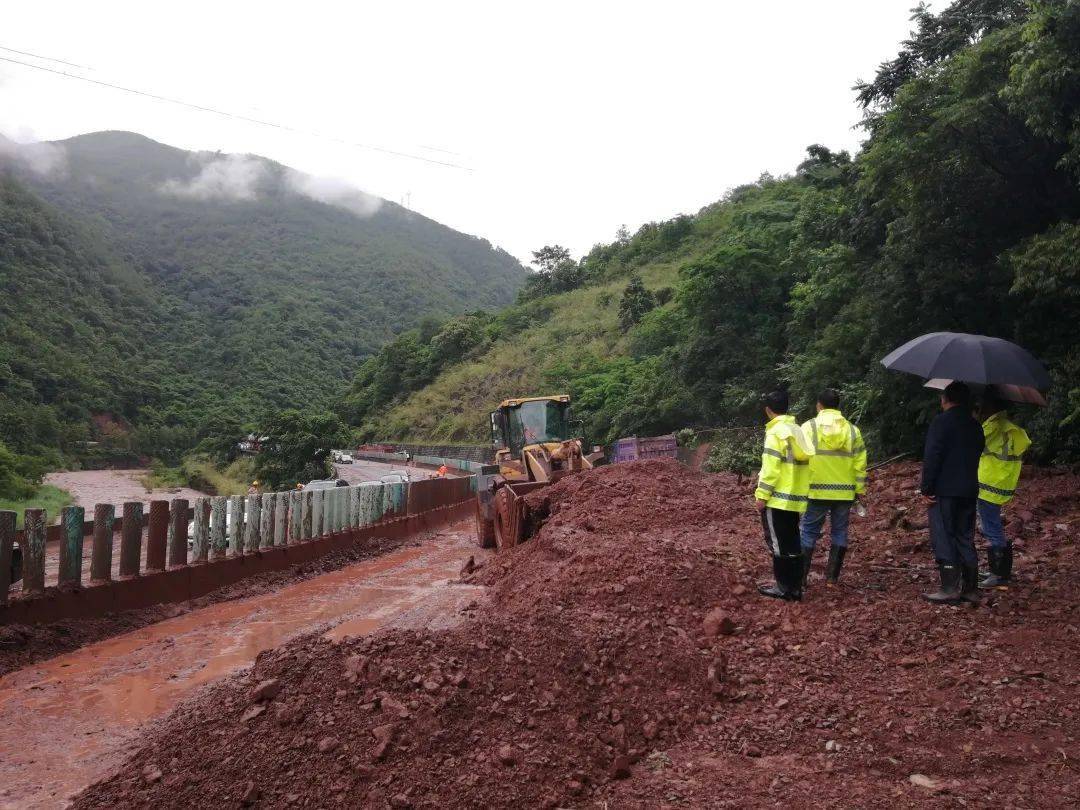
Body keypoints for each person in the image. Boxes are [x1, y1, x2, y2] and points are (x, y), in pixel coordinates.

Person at [920, 381, 985, 604]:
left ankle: (949, 587)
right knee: (965, 536)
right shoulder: (975, 425)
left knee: (944, 536)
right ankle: (971, 588)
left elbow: (933, 457)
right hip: (969, 489)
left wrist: (926, 488)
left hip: (944, 490)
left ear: (945, 399)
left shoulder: (941, 422)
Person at [800, 389, 867, 587]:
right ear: (838, 407)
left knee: (809, 532)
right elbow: (860, 463)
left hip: (816, 489)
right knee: (840, 532)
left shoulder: (809, 427)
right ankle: (831, 579)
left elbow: (798, 458)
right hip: (845, 492)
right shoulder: (853, 431)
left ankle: (801, 579)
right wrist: (859, 490)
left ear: (819, 405)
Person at [753, 389, 815, 601]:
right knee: (793, 541)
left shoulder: (775, 432)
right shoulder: (797, 429)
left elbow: (771, 468)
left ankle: (783, 588)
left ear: (768, 410)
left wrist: (762, 495)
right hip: (795, 497)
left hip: (777, 497)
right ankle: (796, 587)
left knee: (779, 544)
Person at [977, 392, 1031, 589]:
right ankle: (1001, 571)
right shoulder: (1011, 428)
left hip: (987, 485)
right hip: (1002, 484)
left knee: (990, 527)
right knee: (993, 525)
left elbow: (973, 444)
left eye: (983, 405)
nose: (980, 408)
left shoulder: (991, 427)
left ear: (991, 407)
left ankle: (998, 574)